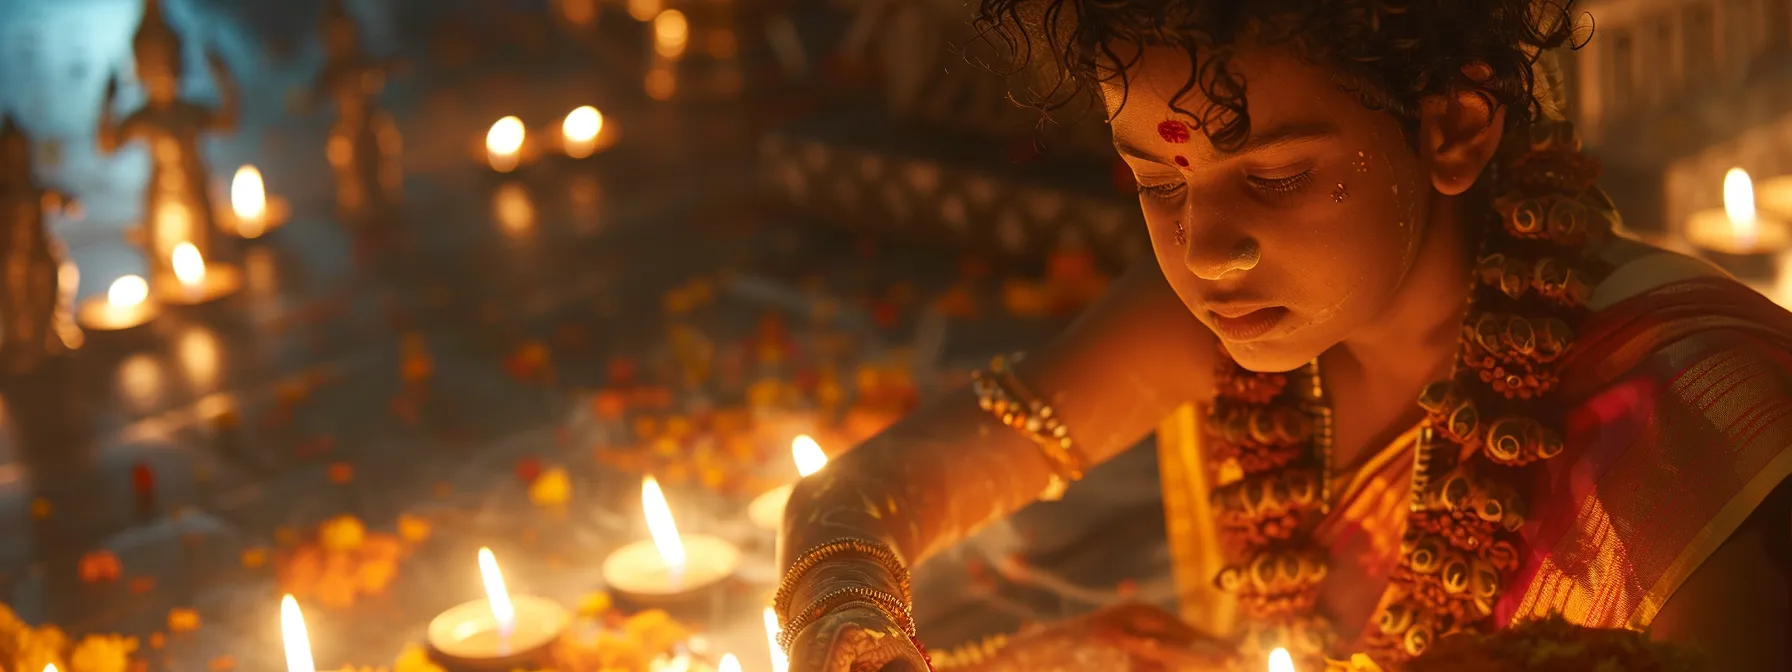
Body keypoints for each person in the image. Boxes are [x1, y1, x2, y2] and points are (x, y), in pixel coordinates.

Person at [772, 0, 1792, 670]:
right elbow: (848, 503)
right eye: (1155, 183)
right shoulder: (1224, 324)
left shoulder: (1699, 416)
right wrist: (858, 641)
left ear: (1455, 127)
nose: (1204, 251)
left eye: (1275, 177)